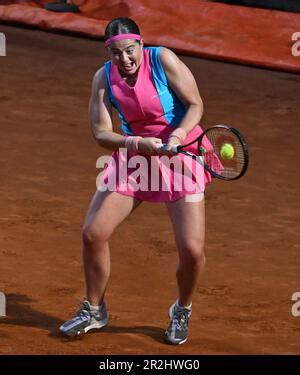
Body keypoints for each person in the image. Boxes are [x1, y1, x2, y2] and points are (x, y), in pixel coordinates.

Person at [59, 17, 213, 345]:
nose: (125, 60)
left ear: (141, 44)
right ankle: (94, 309)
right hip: (134, 158)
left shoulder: (163, 59)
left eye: (130, 50)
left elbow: (195, 104)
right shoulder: (103, 77)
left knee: (191, 250)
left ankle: (182, 308)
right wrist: (137, 144)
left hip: (179, 154)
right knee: (93, 233)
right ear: (108, 52)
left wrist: (180, 134)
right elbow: (101, 133)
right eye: (116, 53)